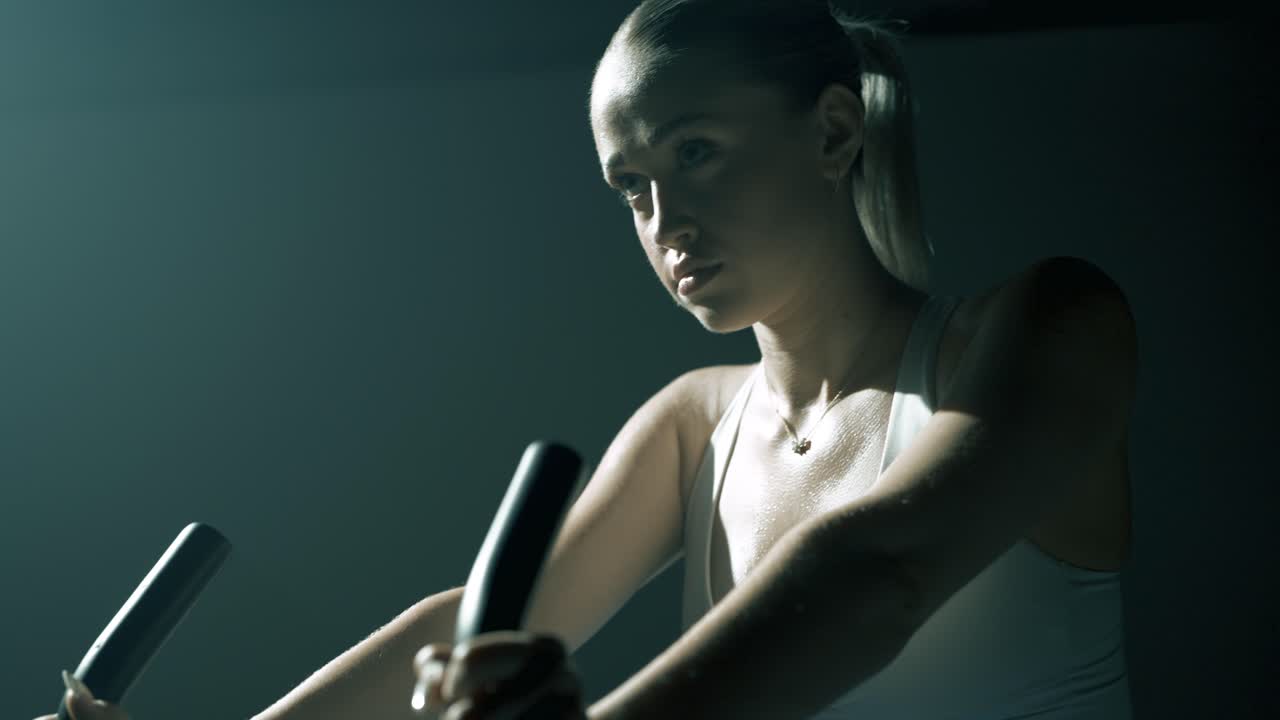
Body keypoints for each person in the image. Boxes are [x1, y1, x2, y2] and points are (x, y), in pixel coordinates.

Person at [38, 1, 1138, 718]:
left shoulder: (1048, 322)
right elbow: (478, 620)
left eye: (696, 152)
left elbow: (874, 578)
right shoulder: (695, 421)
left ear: (833, 132)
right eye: (631, 187)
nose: (666, 221)